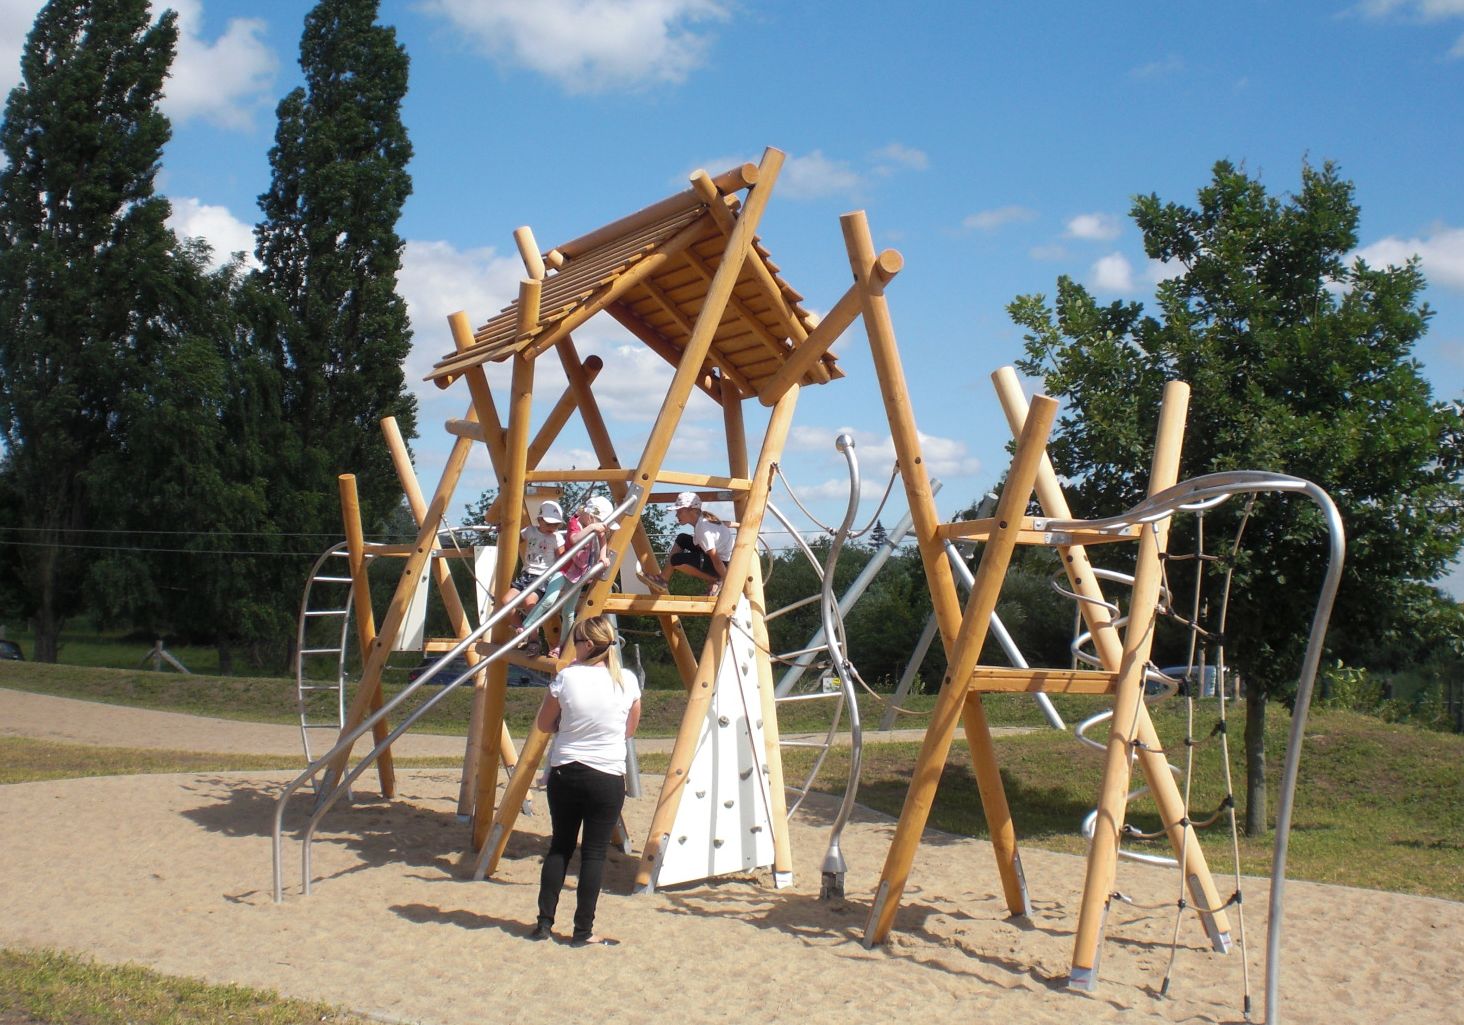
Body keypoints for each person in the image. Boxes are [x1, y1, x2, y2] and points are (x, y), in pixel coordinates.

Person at [530, 616, 641, 946]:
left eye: (575, 641)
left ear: (588, 645)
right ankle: (582, 932)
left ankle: (543, 924)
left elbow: (544, 724)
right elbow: (629, 730)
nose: (571, 647)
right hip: (607, 773)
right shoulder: (627, 681)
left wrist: (570, 722)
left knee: (560, 846)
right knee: (593, 854)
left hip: (567, 771)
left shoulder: (567, 678)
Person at [521, 495, 616, 657]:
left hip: (580, 574)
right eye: (598, 522)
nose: (600, 527)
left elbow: (602, 539)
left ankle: (562, 646)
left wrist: (603, 555)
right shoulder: (576, 522)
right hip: (564, 570)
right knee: (549, 600)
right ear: (590, 516)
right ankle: (526, 627)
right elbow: (574, 539)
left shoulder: (596, 527)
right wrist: (592, 528)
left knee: (568, 612)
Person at [638, 491, 732, 596]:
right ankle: (663, 579)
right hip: (719, 561)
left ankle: (715, 579)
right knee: (682, 538)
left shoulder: (703, 529)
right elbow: (724, 524)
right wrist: (738, 525)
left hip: (721, 566)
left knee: (677, 560)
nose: (676, 514)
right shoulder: (704, 520)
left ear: (692, 510)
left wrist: (727, 582)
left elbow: (716, 560)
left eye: (679, 511)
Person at [504, 499, 566, 654]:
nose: (552, 528)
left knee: (529, 602)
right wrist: (503, 528)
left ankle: (533, 639)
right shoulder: (530, 531)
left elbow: (563, 557)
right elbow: (513, 538)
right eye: (549, 524)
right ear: (539, 520)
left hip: (543, 576)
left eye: (556, 525)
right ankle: (521, 629)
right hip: (527, 575)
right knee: (506, 601)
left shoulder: (557, 537)